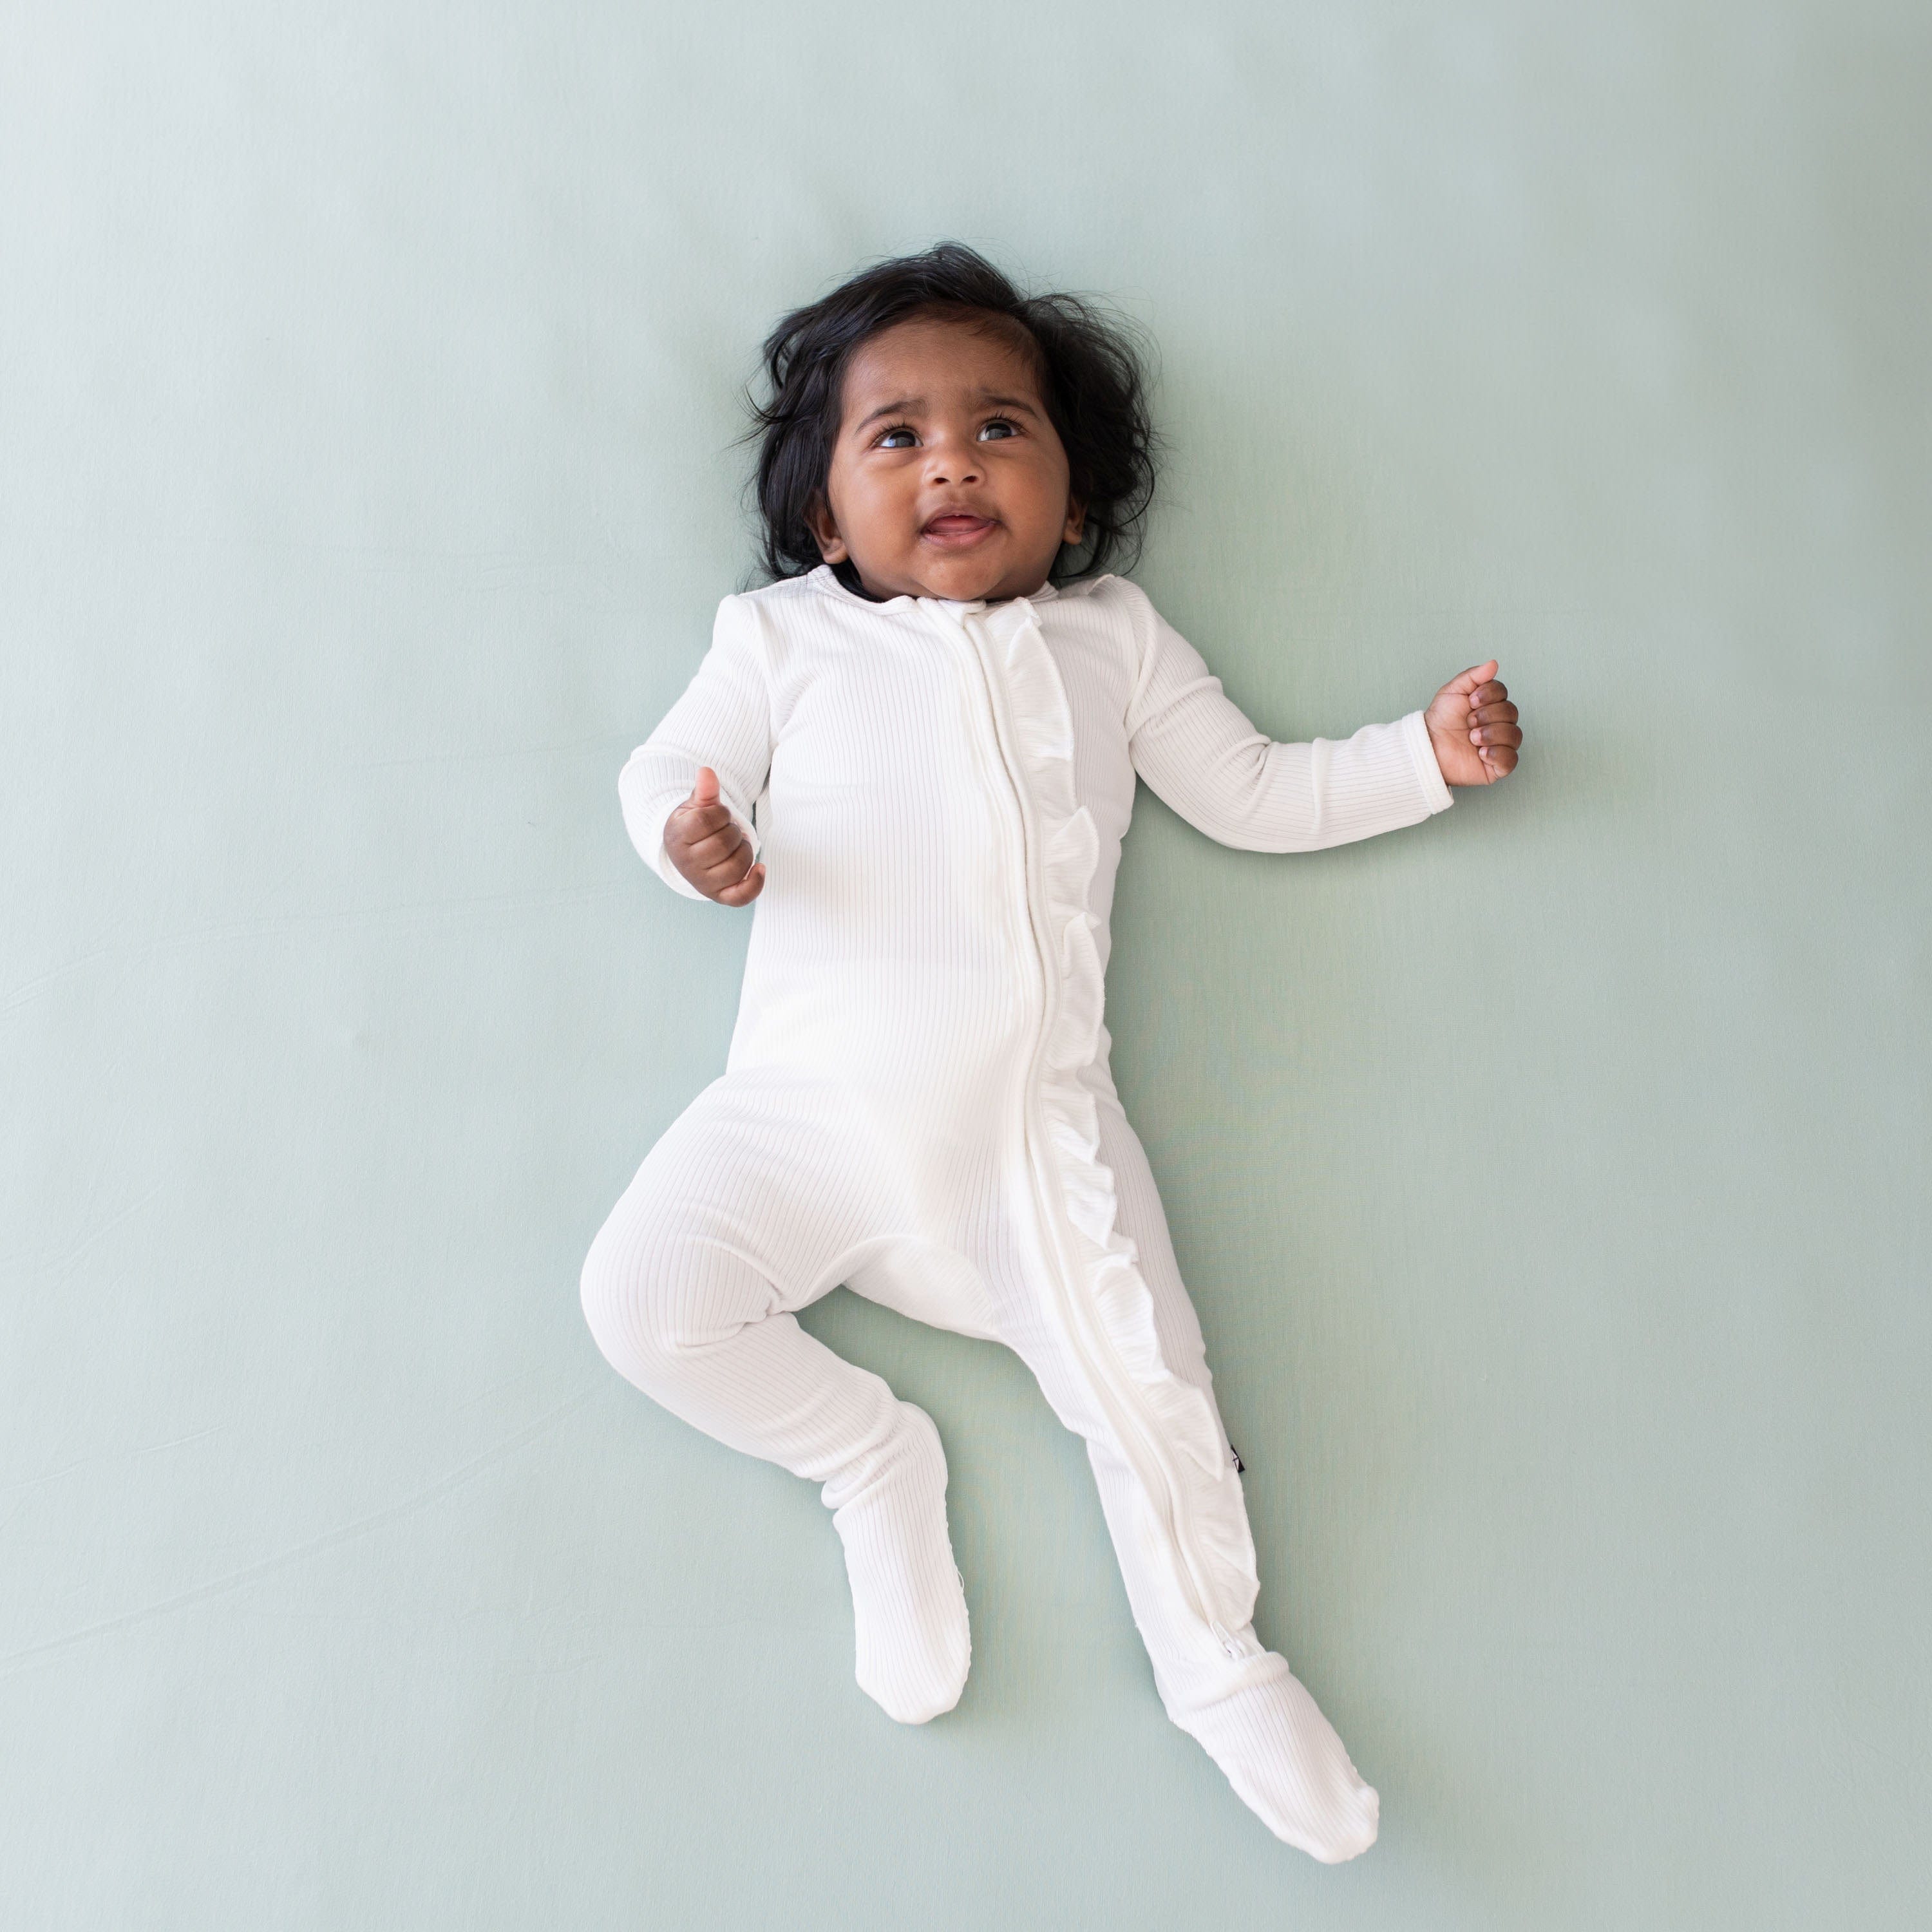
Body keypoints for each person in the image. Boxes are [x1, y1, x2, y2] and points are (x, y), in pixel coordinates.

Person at [580, 243, 1521, 1860]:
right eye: (896, 437)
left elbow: (1256, 793)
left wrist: (1420, 759)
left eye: (1000, 429)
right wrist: (694, 841)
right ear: (826, 521)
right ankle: (868, 1457)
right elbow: (667, 771)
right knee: (641, 1301)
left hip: (1035, 1151)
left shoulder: (1114, 640)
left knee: (1158, 1408)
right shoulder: (783, 640)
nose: (951, 461)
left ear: (1073, 502)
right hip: (803, 1119)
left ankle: (1222, 1670)